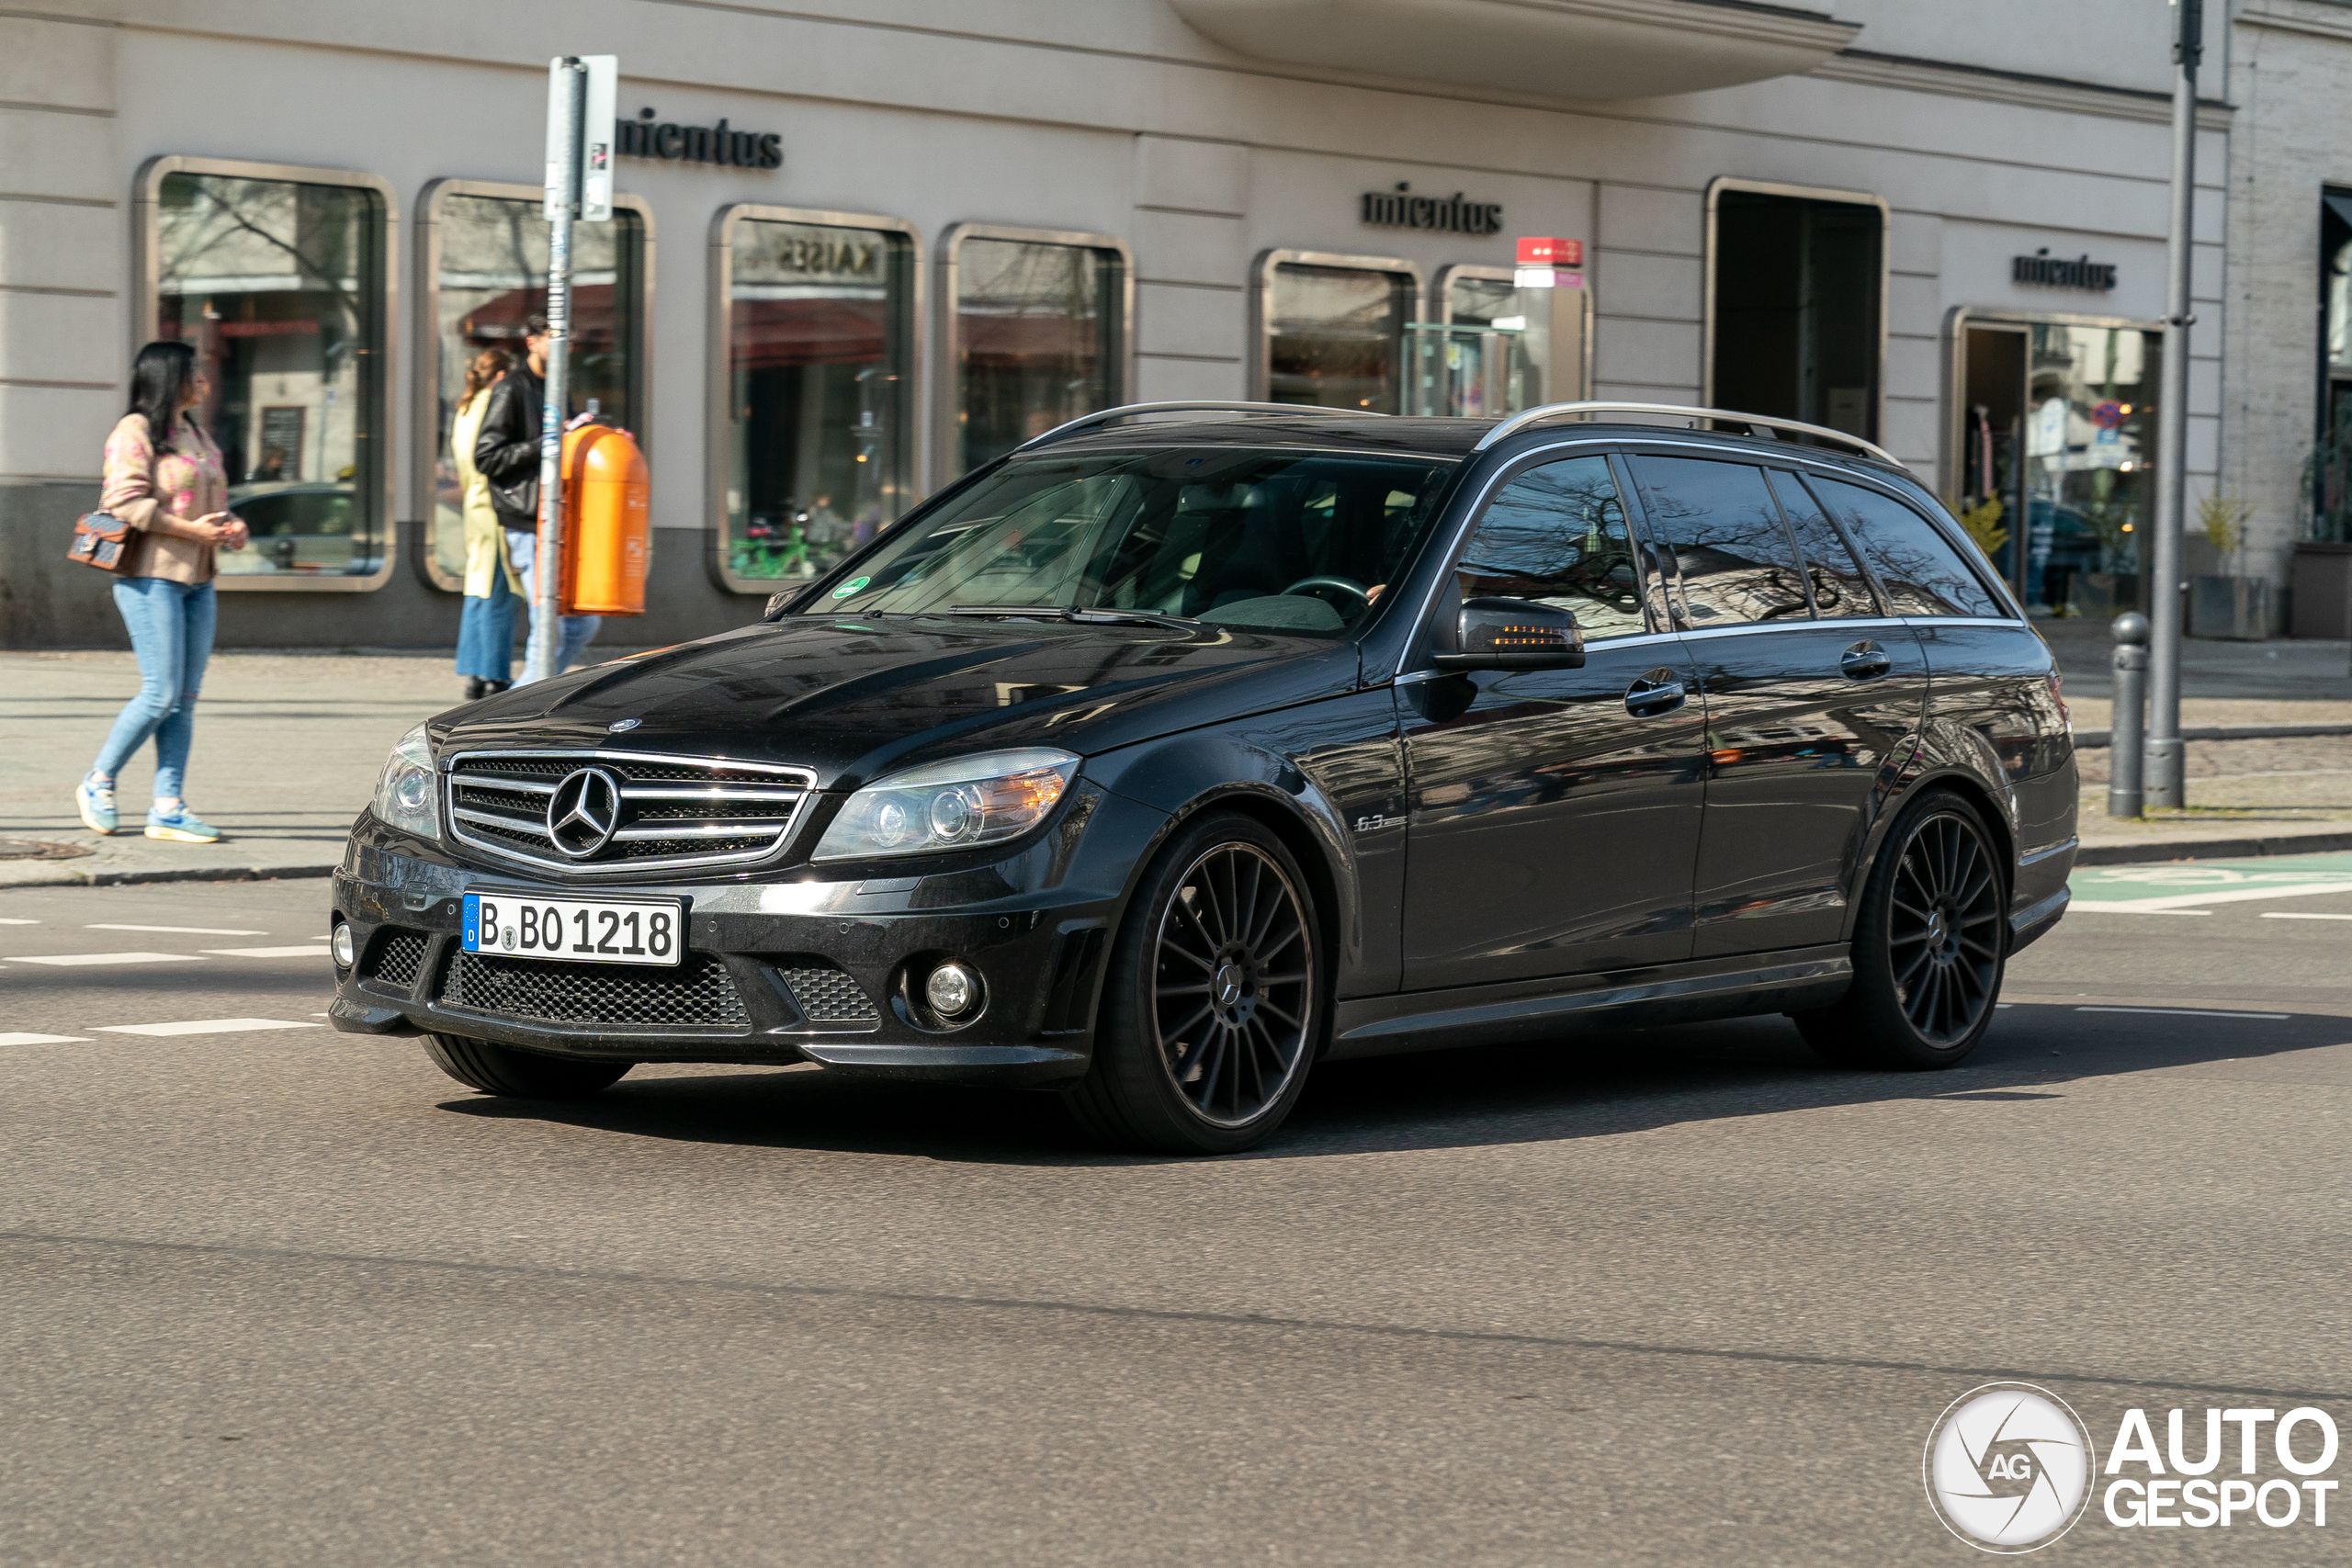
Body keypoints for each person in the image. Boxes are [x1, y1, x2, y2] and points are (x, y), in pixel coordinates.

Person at [74, 341, 249, 843]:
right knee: (160, 693)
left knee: (185, 699)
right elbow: (124, 504)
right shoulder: (134, 432)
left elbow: (213, 501)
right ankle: (98, 781)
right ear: (169, 376)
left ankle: (168, 808)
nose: (204, 378)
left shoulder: (195, 432)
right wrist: (196, 532)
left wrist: (231, 527)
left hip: (199, 580)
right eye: (194, 370)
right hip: (150, 578)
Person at [473, 314, 600, 682]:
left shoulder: (558, 387)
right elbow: (487, 457)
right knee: (552, 627)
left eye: (569, 340)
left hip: (558, 521)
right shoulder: (512, 389)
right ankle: (520, 708)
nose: (566, 347)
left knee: (581, 625)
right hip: (527, 521)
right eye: (556, 338)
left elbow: (566, 439)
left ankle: (529, 697)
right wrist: (544, 445)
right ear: (532, 343)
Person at [449, 345, 520, 699]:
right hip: (496, 507)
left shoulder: (465, 408)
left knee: (478, 590)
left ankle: (475, 671)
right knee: (499, 592)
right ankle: (495, 672)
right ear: (503, 376)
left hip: (474, 508)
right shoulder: (491, 406)